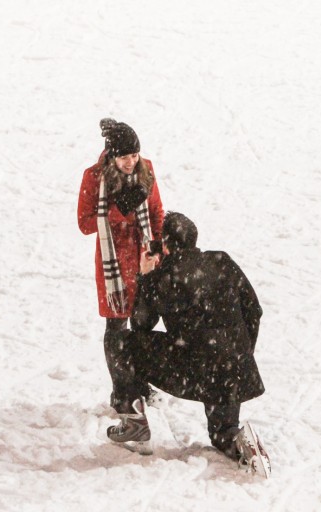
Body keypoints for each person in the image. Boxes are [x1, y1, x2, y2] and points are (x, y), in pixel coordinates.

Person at [104, 212, 271, 476]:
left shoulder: (166, 276)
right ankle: (241, 443)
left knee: (121, 342)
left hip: (194, 370)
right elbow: (254, 310)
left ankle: (133, 420)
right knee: (220, 434)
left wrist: (145, 276)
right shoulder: (222, 260)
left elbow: (140, 324)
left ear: (166, 245)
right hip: (233, 369)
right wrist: (240, 352)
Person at [77, 118, 164, 403]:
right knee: (116, 327)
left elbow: (156, 211)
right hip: (112, 261)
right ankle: (122, 391)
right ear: (112, 156)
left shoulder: (146, 169)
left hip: (143, 258)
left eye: (134, 155)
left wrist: (158, 247)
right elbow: (85, 223)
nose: (130, 162)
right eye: (124, 156)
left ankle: (139, 382)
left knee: (142, 324)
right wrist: (118, 211)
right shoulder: (93, 177)